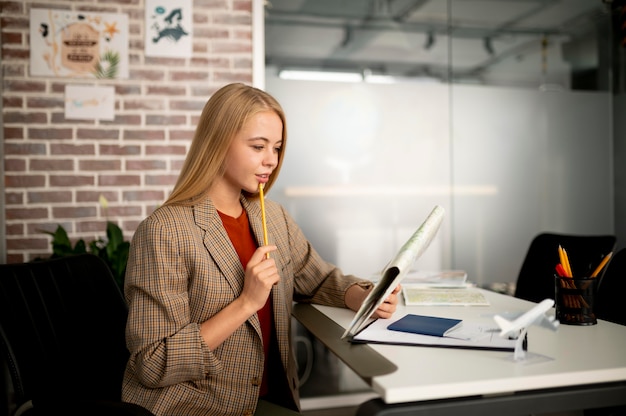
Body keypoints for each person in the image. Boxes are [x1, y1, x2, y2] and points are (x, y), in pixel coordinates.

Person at [121, 82, 401, 416]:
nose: (271, 160)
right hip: (195, 407)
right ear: (218, 142)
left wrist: (364, 297)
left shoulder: (272, 216)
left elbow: (318, 278)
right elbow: (153, 363)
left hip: (271, 398)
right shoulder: (165, 230)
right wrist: (247, 303)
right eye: (258, 146)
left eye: (278, 148)